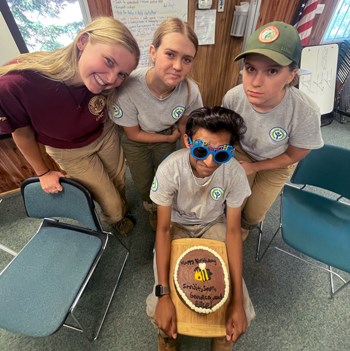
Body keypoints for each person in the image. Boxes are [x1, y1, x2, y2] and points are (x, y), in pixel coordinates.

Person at [0, 17, 140, 236]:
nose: (112, 78)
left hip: (104, 133)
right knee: (109, 200)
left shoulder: (104, 82)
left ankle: (121, 209)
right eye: (109, 61)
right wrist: (43, 172)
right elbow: (22, 132)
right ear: (82, 42)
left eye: (122, 73)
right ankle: (116, 218)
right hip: (70, 150)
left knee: (118, 179)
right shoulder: (17, 82)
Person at [146, 106, 256, 351]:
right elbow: (163, 230)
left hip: (213, 225)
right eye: (201, 150)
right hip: (176, 225)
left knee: (238, 309)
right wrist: (163, 295)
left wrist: (237, 300)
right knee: (160, 307)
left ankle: (222, 343)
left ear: (231, 151)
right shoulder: (170, 169)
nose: (209, 162)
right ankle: (167, 339)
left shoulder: (235, 173)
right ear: (187, 141)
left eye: (221, 154)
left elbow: (233, 231)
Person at [221, 21, 324, 239]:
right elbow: (228, 134)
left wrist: (256, 167)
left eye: (272, 71)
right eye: (250, 69)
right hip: (243, 151)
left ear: (291, 75)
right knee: (236, 198)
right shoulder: (233, 97)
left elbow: (293, 154)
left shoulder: (305, 112)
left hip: (279, 160)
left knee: (254, 212)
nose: (255, 82)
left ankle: (244, 227)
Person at [110, 17, 203, 230]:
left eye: (187, 59)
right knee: (143, 179)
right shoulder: (129, 87)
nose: (178, 66)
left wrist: (185, 138)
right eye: (170, 54)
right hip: (137, 140)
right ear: (153, 52)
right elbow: (133, 134)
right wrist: (169, 137)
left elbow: (184, 122)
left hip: (167, 134)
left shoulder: (190, 91)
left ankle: (163, 204)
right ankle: (150, 206)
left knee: (165, 173)